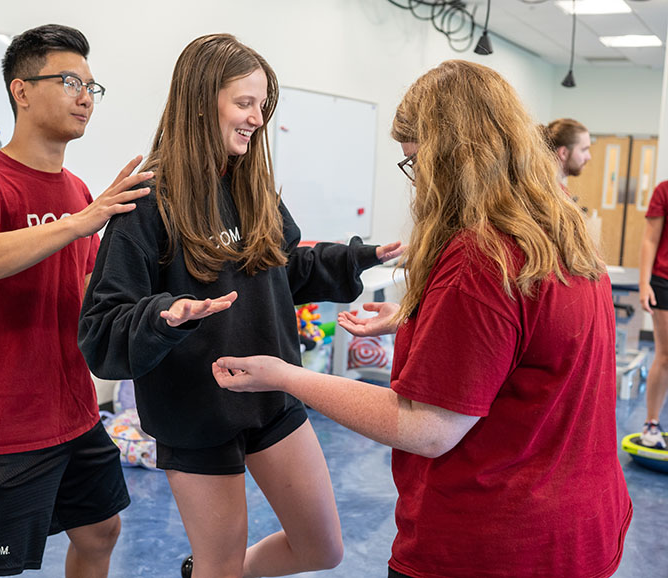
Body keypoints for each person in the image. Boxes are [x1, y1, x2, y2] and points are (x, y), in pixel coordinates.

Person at [213, 60, 631, 578]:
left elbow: (427, 428)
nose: (417, 182)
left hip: (493, 546)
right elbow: (522, 337)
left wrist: (285, 375)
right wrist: (422, 319)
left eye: (415, 162)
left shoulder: (482, 257)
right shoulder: (556, 226)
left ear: (452, 157)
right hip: (581, 523)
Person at [77, 33, 402, 578]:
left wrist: (357, 258)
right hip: (195, 412)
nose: (257, 118)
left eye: (262, 105)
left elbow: (282, 269)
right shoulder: (147, 204)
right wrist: (164, 316)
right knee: (221, 565)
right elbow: (102, 328)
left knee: (323, 549)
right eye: (245, 102)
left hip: (271, 395)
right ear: (201, 101)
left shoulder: (252, 188)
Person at [0, 24, 151, 578]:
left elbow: (89, 294)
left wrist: (162, 307)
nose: (85, 97)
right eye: (70, 81)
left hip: (75, 411)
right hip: (1, 424)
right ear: (21, 90)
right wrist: (77, 222)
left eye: (92, 87)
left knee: (101, 531)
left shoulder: (78, 191)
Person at [638, 179, 668, 449]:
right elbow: (650, 238)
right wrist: (644, 283)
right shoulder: (664, 190)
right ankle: (652, 424)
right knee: (666, 354)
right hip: (664, 280)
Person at [542, 117, 592, 181]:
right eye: (584, 150)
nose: (589, 157)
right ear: (563, 153)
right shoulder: (539, 186)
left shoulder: (555, 186)